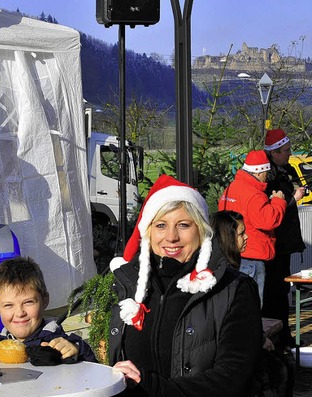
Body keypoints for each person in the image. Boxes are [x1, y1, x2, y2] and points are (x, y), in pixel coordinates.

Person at [109, 174, 263, 396]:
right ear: (148, 232)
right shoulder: (126, 285)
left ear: (200, 231)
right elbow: (110, 361)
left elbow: (234, 376)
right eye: (161, 225)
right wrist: (72, 354)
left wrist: (153, 386)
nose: (171, 237)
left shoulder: (233, 289)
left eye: (183, 225)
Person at [0, 256, 97, 363]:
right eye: (8, 305)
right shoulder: (3, 344)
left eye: (28, 302)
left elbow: (93, 371)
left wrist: (77, 351)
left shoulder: (56, 342)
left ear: (44, 301)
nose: (19, 313)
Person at [218, 150, 286, 305]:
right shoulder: (254, 194)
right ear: (259, 172)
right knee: (253, 304)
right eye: (266, 173)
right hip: (253, 256)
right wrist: (278, 202)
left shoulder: (232, 188)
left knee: (236, 303)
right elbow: (268, 220)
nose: (266, 177)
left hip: (233, 253)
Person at [263, 128, 307, 348]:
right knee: (275, 292)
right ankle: (278, 338)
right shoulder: (269, 178)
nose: (290, 154)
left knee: (281, 291)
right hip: (274, 244)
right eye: (287, 150)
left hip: (283, 243)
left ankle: (283, 335)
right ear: (275, 152)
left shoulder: (284, 170)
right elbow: (272, 211)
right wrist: (294, 198)